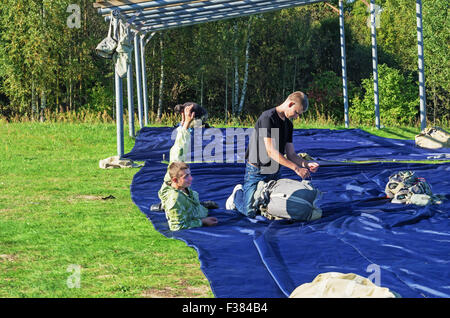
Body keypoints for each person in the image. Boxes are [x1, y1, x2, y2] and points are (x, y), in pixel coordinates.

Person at [226, 91, 320, 218]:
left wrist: (306, 164)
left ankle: (258, 195)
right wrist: (296, 168)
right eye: (297, 112)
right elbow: (271, 151)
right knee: (249, 212)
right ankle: (237, 194)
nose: (297, 116)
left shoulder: (288, 124)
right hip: (257, 171)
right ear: (291, 104)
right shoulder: (267, 118)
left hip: (275, 171)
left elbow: (291, 154)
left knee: (273, 205)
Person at [158, 104, 218, 231]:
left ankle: (197, 206)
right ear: (174, 180)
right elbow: (177, 226)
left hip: (188, 204)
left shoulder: (182, 187)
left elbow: (180, 149)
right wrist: (202, 222)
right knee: (178, 154)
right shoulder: (175, 199)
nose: (191, 179)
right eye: (187, 177)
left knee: (179, 156)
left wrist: (184, 124)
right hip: (181, 206)